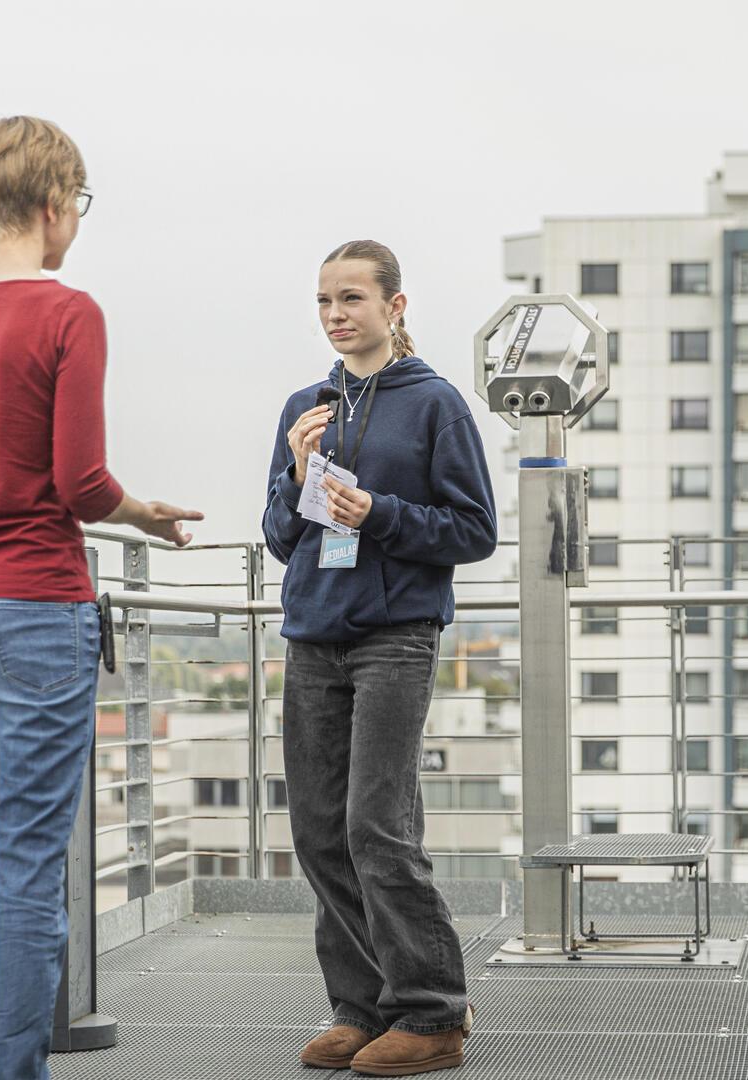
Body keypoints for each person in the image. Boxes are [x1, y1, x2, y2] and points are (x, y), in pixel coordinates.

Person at [0, 115, 202, 1079]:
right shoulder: (68, 312)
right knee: (27, 868)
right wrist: (142, 516)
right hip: (34, 607)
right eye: (80, 207)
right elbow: (80, 483)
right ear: (56, 207)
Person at [262, 240, 497, 1076]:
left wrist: (380, 513)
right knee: (320, 831)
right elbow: (280, 537)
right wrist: (296, 472)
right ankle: (362, 1008)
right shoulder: (308, 403)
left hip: (396, 636)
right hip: (313, 634)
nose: (335, 315)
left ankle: (432, 1012)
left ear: (395, 307)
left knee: (377, 826)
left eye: (353, 298)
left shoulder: (435, 404)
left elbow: (473, 532)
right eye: (324, 300)